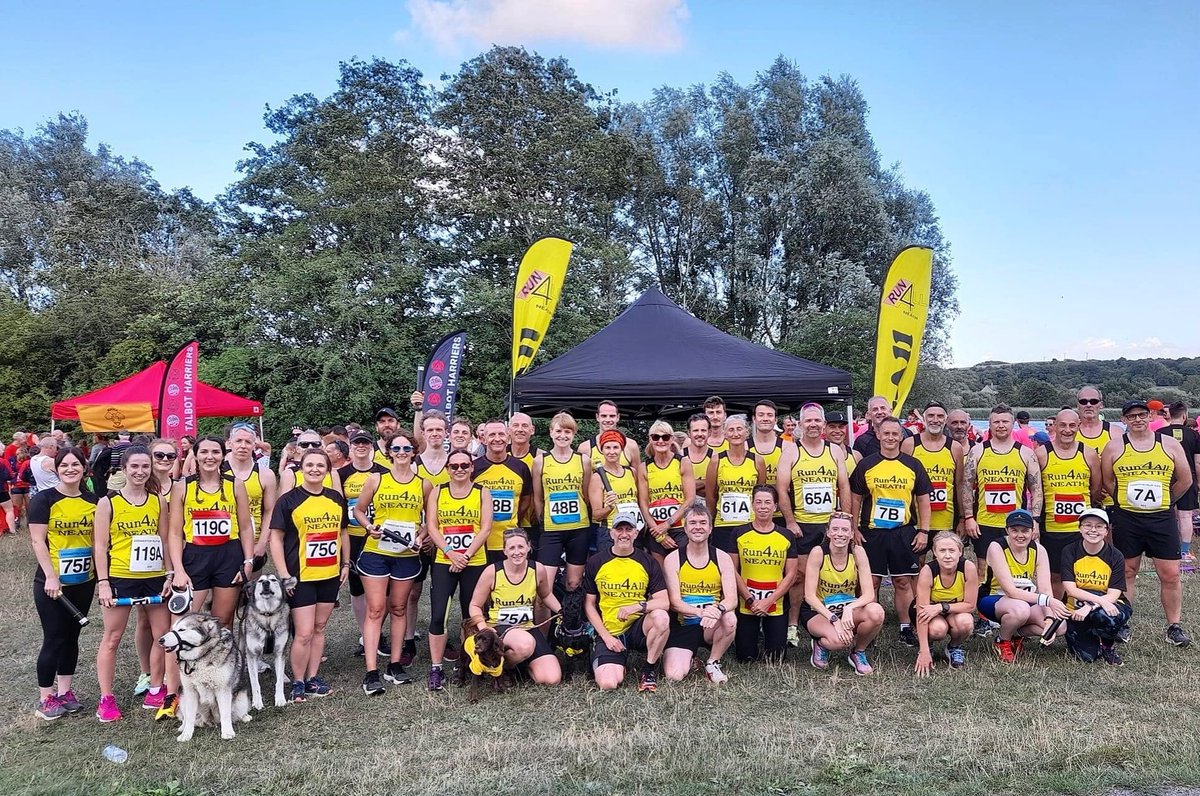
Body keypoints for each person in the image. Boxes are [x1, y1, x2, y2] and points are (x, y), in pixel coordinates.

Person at [1101, 399, 1194, 647]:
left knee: (1170, 574)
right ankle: (1123, 623)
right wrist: (1122, 501)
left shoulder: (1169, 444)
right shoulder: (1114, 446)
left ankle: (1174, 626)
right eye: (1131, 416)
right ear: (1124, 420)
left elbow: (1185, 479)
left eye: (1142, 415)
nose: (1137, 420)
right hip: (1127, 518)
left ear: (1150, 416)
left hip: (1161, 518)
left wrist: (1167, 500)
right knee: (1127, 571)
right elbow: (1108, 481)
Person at [93, 445, 176, 721]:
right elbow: (100, 546)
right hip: (121, 576)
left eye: (145, 467)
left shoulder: (158, 500)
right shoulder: (108, 503)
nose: (140, 472)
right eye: (135, 467)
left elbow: (165, 540)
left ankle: (156, 687)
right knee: (113, 637)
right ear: (124, 469)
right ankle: (106, 699)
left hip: (154, 577)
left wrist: (169, 574)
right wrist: (103, 582)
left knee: (162, 635)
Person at [269, 448, 350, 702]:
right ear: (301, 468)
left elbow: (343, 532)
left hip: (329, 574)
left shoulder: (335, 498)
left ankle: (313, 678)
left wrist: (345, 563)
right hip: (300, 576)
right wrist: (284, 574)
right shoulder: (288, 500)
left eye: (320, 465)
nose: (315, 469)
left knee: (319, 627)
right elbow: (276, 538)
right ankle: (298, 681)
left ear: (328, 470)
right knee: (303, 632)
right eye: (310, 465)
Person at [848, 416, 932, 647]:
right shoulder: (866, 464)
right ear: (878, 434)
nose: (891, 438)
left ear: (901, 436)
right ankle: (869, 627)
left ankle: (906, 627)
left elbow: (923, 500)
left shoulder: (913, 465)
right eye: (886, 433)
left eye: (895, 433)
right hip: (872, 532)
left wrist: (923, 531)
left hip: (902, 531)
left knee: (903, 581)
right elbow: (855, 498)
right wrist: (854, 528)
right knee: (871, 582)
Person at [353, 431, 427, 693]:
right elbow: (358, 510)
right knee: (375, 609)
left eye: (406, 448)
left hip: (406, 555)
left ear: (414, 452)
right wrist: (368, 527)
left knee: (398, 608)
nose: (401, 453)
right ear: (389, 452)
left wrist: (421, 537)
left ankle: (395, 665)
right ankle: (371, 672)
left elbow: (431, 521)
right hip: (377, 552)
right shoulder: (376, 479)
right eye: (396, 449)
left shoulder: (424, 484)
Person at [29, 447, 98, 720]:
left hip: (84, 580)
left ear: (84, 468)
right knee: (54, 637)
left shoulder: (94, 500)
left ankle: (65, 692)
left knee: (72, 637)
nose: (70, 469)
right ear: (56, 469)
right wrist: (50, 575)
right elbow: (37, 540)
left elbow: (98, 541)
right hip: (52, 582)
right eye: (65, 465)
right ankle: (45, 697)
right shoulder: (44, 499)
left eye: (75, 464)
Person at [777, 403, 851, 647]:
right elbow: (781, 489)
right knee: (799, 577)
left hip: (830, 525)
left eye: (817, 421)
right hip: (803, 524)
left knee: (832, 574)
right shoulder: (791, 451)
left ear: (823, 425)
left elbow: (844, 486)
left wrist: (846, 519)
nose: (813, 424)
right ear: (800, 424)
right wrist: (790, 521)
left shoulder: (834, 450)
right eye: (808, 420)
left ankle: (831, 620)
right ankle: (793, 625)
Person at [961, 405, 1043, 614]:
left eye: (1005, 421)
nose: (1000, 425)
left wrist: (1035, 520)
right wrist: (969, 517)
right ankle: (984, 616)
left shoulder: (1026, 453)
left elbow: (1036, 489)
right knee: (983, 570)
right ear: (989, 424)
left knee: (1016, 570)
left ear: (1012, 423)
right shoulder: (978, 451)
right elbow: (966, 486)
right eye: (996, 421)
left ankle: (1013, 609)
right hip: (985, 521)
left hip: (1016, 525)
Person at [424, 448, 493, 690]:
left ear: (472, 467)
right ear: (448, 469)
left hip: (474, 560)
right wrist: (451, 553)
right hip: (445, 561)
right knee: (438, 615)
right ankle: (436, 668)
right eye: (454, 466)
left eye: (465, 465)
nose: (460, 469)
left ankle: (469, 662)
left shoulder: (482, 491)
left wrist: (465, 555)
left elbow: (486, 528)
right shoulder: (438, 491)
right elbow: (432, 526)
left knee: (471, 615)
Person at [169, 436, 253, 629]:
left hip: (229, 555)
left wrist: (248, 562)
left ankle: (219, 651)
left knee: (222, 622)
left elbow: (245, 527)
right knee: (182, 622)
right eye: (204, 452)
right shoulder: (182, 487)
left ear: (223, 455)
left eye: (215, 452)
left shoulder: (236, 485)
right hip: (195, 555)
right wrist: (179, 570)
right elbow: (174, 533)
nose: (210, 457)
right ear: (195, 455)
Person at [584, 512, 670, 692]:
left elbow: (664, 602)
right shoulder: (596, 562)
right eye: (619, 529)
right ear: (611, 533)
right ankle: (617, 663)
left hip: (638, 627)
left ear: (636, 533)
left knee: (661, 617)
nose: (624, 534)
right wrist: (606, 637)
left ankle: (648, 669)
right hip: (611, 630)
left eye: (629, 529)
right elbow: (589, 605)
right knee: (608, 684)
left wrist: (636, 607)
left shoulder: (648, 561)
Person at [467, 528, 562, 685]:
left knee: (551, 678)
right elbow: (475, 605)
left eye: (521, 547)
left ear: (528, 547)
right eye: (511, 548)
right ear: (504, 550)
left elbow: (545, 595)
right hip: (499, 628)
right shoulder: (492, 572)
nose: (517, 552)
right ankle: (497, 668)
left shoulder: (537, 569)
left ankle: (518, 664)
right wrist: (484, 628)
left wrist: (561, 611)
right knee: (525, 644)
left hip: (527, 627)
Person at [662, 502, 737, 683]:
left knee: (730, 618)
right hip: (683, 626)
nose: (698, 527)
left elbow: (732, 599)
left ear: (710, 528)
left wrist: (717, 610)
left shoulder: (722, 557)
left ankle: (712, 662)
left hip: (711, 625)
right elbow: (675, 603)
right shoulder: (673, 559)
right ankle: (689, 657)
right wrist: (701, 612)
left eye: (703, 523)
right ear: (685, 528)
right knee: (674, 676)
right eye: (693, 523)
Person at [980, 509, 1069, 662]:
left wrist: (1049, 618)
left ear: (1032, 531)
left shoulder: (1039, 550)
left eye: (1025, 531)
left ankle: (1016, 634)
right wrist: (1048, 601)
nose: (1020, 535)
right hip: (994, 598)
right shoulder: (997, 546)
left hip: (1025, 602)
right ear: (1007, 530)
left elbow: (1045, 588)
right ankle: (1002, 640)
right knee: (1020, 610)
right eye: (1014, 530)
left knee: (1059, 626)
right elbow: (1010, 591)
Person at [802, 512, 884, 675]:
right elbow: (809, 596)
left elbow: (869, 594)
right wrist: (834, 620)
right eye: (835, 529)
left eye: (845, 530)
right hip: (818, 611)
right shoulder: (818, 552)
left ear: (852, 534)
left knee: (876, 612)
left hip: (847, 608)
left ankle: (858, 652)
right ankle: (821, 644)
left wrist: (849, 608)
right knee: (840, 641)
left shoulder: (858, 552)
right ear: (828, 532)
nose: (840, 534)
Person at [1036, 408, 1102, 596]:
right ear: (1055, 426)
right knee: (1055, 575)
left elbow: (1096, 488)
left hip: (1082, 527)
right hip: (1052, 527)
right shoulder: (1041, 454)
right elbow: (1035, 490)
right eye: (1062, 425)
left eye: (1072, 425)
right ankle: (1055, 609)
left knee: (1082, 573)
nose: (1067, 430)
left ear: (1079, 426)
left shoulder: (1088, 454)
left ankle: (1079, 608)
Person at [731, 486, 799, 663]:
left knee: (776, 659)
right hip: (747, 602)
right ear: (752, 505)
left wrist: (769, 601)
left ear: (775, 506)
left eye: (768, 502)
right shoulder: (738, 533)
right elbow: (732, 570)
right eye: (758, 502)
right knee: (745, 658)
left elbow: (791, 574)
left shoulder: (786, 536)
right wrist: (750, 600)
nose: (763, 506)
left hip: (776, 603)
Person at [532, 412, 592, 612]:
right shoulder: (540, 461)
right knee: (544, 589)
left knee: (574, 584)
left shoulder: (583, 460)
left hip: (579, 529)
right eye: (558, 431)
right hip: (552, 530)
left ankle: (571, 625)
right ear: (551, 432)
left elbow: (586, 495)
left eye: (568, 432)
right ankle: (543, 630)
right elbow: (538, 498)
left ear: (573, 434)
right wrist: (544, 522)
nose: (563, 436)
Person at [339, 430, 390, 659]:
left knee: (383, 588)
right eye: (357, 443)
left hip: (377, 536)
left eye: (365, 443)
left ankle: (377, 631)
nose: (361, 446)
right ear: (350, 446)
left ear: (371, 447)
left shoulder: (382, 472)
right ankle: (365, 635)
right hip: (352, 535)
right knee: (357, 587)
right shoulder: (342, 474)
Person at [1061, 508, 1133, 665]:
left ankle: (1108, 646)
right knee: (1087, 657)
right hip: (1076, 609)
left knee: (1107, 616)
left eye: (1099, 526)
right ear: (1080, 528)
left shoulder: (1115, 555)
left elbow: (1113, 594)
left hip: (1108, 605)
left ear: (1106, 531)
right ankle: (1092, 636)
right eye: (1087, 525)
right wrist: (1094, 602)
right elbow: (1070, 589)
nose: (1093, 530)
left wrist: (1090, 606)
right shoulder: (1069, 551)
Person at [913, 532, 978, 675]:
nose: (947, 555)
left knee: (966, 622)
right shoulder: (928, 571)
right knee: (938, 629)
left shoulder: (968, 568)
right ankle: (928, 646)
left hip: (951, 610)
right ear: (935, 552)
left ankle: (954, 647)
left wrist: (941, 607)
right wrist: (923, 651)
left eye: (952, 550)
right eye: (942, 550)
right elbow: (921, 613)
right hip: (928, 613)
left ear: (960, 551)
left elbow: (970, 605)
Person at [472, 419, 533, 564]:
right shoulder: (473, 468)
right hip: (479, 543)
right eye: (492, 435)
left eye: (501, 434)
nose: (497, 439)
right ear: (483, 439)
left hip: (510, 542)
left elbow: (526, 498)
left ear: (508, 437)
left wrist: (514, 517)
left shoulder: (521, 467)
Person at [900, 402, 964, 539]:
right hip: (916, 521)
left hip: (946, 521)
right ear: (924, 418)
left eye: (940, 416)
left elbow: (960, 486)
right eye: (931, 416)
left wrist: (962, 519)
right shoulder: (909, 444)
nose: (935, 420)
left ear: (946, 420)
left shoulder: (955, 448)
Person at [638, 419, 696, 564]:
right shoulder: (644, 467)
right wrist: (659, 534)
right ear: (650, 439)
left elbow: (690, 499)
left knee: (681, 569)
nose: (660, 441)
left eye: (665, 437)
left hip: (680, 527)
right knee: (661, 573)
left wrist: (668, 523)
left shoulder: (683, 462)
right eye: (656, 437)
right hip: (656, 530)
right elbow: (643, 503)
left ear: (671, 439)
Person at [705, 415, 766, 553]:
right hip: (723, 524)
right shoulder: (716, 460)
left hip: (750, 523)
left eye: (739, 429)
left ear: (747, 432)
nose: (735, 433)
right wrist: (710, 522)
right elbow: (710, 496)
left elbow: (760, 494)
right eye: (731, 430)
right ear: (725, 434)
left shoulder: (758, 461)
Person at [588, 430, 643, 556]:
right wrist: (609, 507)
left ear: (622, 449)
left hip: (633, 530)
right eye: (607, 448)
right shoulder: (597, 477)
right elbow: (596, 515)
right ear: (602, 450)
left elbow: (638, 502)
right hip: (610, 532)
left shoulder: (632, 472)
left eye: (615, 447)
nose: (611, 452)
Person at [1159, 401, 1200, 570]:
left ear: (1169, 415)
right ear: (1184, 415)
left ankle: (1166, 548)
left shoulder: (1159, 434)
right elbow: (1198, 463)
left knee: (1165, 514)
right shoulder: (1194, 435)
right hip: (1188, 478)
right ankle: (1184, 552)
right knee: (1185, 516)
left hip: (1165, 478)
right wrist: (1199, 482)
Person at [1076, 386, 1116, 505]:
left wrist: (1105, 486)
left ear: (1101, 405)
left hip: (1109, 501)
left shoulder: (1114, 432)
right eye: (1083, 401)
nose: (1088, 405)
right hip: (1079, 499)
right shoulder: (1068, 432)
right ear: (1078, 405)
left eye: (1093, 401)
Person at [577, 401, 641, 467]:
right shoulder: (585, 448)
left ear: (618, 417)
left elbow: (638, 473)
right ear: (597, 417)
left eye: (612, 416)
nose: (608, 420)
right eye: (604, 416)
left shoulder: (631, 445)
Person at [682, 413, 713, 498]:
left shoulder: (716, 457)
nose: (699, 434)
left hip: (708, 506)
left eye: (703, 430)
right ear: (689, 433)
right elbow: (677, 486)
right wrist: (705, 482)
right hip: (684, 506)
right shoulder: (679, 457)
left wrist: (688, 485)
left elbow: (715, 489)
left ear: (709, 432)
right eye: (695, 430)